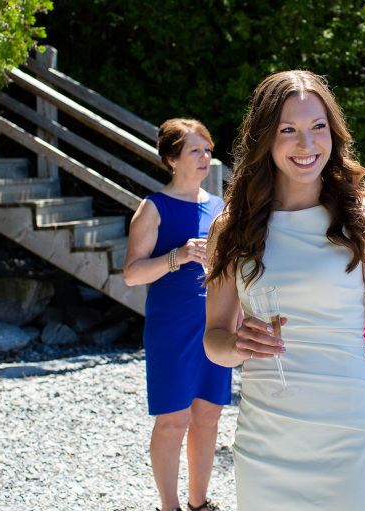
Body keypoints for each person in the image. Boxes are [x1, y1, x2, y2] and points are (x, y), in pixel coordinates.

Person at [202, 70, 365, 511]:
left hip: (349, 439)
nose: (306, 144)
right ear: (265, 138)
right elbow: (213, 340)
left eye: (317, 126)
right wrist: (236, 345)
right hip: (265, 443)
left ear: (333, 132)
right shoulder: (231, 228)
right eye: (288, 130)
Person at [124, 119, 231, 511]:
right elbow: (132, 274)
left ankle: (198, 503)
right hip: (171, 327)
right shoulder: (154, 207)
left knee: (209, 415)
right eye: (195, 151)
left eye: (208, 150)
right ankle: (168, 506)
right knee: (173, 419)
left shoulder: (220, 208)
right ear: (171, 159)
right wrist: (179, 256)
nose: (205, 158)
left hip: (215, 324)